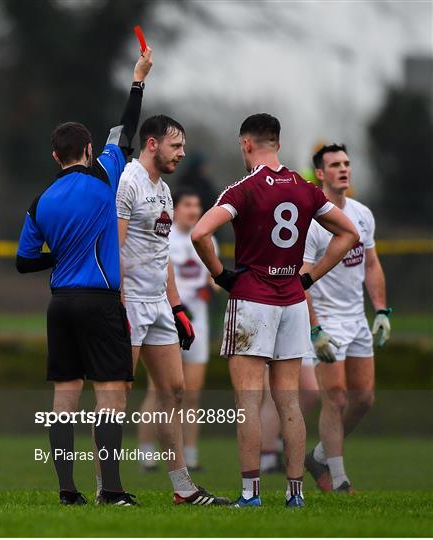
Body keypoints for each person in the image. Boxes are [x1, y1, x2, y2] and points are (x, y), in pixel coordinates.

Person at [191, 113, 359, 508]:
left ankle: (251, 495)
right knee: (288, 401)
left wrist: (220, 275)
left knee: (249, 400)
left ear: (246, 145)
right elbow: (348, 232)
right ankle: (295, 494)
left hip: (252, 301)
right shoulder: (304, 188)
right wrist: (311, 276)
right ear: (278, 144)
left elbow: (199, 232)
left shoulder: (243, 188)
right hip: (294, 301)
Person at [15, 49, 153, 506]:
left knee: (65, 395)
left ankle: (67, 491)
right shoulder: (104, 173)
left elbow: (23, 261)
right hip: (99, 301)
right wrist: (138, 79)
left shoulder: (41, 200)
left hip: (60, 305)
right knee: (111, 392)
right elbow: (128, 128)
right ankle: (111, 489)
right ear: (89, 149)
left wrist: (59, 258)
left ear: (55, 156)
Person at [116, 116, 229, 506]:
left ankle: (183, 488)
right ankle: (107, 489)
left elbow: (161, 256)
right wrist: (118, 302)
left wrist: (177, 307)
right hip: (129, 304)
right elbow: (116, 250)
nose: (181, 153)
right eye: (176, 146)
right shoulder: (127, 181)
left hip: (160, 305)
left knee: (175, 390)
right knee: (117, 394)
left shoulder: (164, 191)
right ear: (152, 144)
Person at [303, 143, 391, 493]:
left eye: (347, 163)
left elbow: (371, 265)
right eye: (335, 165)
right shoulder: (313, 223)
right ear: (320, 174)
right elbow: (301, 277)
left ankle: (321, 454)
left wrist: (381, 310)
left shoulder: (362, 214)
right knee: (335, 397)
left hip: (357, 319)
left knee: (364, 398)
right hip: (327, 319)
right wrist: (314, 329)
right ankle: (339, 480)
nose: (344, 169)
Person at [136, 188, 218, 473]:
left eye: (197, 204)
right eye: (188, 204)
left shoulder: (208, 238)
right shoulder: (165, 237)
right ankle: (146, 451)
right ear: (175, 208)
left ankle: (190, 454)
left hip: (199, 323)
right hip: (168, 319)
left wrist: (210, 289)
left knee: (192, 394)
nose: (193, 210)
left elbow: (210, 281)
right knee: (159, 390)